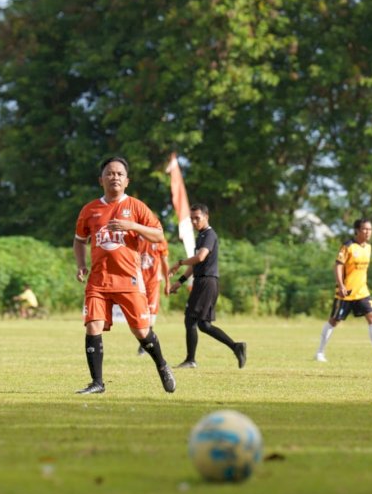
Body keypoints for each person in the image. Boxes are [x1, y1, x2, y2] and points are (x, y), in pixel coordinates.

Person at [73, 157, 176, 395]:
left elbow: (159, 236)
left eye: (120, 174)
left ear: (127, 181)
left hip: (128, 279)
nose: (115, 177)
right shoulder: (90, 210)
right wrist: (81, 264)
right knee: (92, 326)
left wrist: (133, 226)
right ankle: (97, 383)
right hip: (99, 280)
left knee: (141, 331)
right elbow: (79, 240)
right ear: (101, 180)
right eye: (110, 173)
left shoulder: (137, 207)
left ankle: (162, 365)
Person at [168, 204, 246, 369]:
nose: (195, 221)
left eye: (198, 218)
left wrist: (179, 263)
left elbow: (200, 257)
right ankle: (236, 347)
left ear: (206, 216)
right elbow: (195, 264)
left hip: (206, 282)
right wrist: (179, 282)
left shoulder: (209, 234)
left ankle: (191, 360)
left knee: (190, 319)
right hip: (203, 281)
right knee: (203, 325)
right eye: (192, 219)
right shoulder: (202, 236)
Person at [313, 218, 372, 363]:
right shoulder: (348, 246)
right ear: (357, 230)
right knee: (334, 320)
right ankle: (319, 353)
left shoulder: (368, 247)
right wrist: (341, 285)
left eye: (370, 229)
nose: (368, 232)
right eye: (365, 229)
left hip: (362, 292)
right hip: (346, 293)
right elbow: (338, 266)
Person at [135, 236, 170, 355]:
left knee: (152, 311)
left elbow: (165, 261)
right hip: (137, 280)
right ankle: (145, 342)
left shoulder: (159, 239)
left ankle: (144, 344)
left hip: (153, 281)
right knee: (139, 311)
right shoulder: (135, 237)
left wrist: (167, 282)